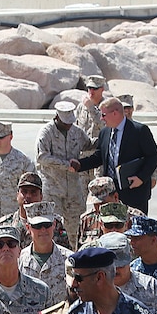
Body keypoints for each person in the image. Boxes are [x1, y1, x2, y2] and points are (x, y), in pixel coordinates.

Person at [71, 97, 157, 215]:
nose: (101, 118)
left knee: (134, 229)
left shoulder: (139, 131)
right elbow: (99, 157)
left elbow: (153, 156)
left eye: (103, 114)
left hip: (134, 191)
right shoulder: (105, 132)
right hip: (111, 193)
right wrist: (79, 165)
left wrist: (141, 178)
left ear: (115, 113)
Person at [35, 101, 92, 248]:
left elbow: (89, 145)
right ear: (57, 117)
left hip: (73, 190)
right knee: (53, 228)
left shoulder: (76, 132)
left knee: (76, 229)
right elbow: (41, 157)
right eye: (66, 123)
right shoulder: (46, 132)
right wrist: (66, 165)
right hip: (53, 189)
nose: (69, 125)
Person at [0, 172, 72, 253]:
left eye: (33, 192)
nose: (28, 196)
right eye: (24, 191)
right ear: (17, 195)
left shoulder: (53, 223)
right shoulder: (4, 225)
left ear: (41, 196)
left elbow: (65, 254)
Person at [18, 201, 72, 302]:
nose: (43, 230)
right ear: (28, 228)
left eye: (47, 225)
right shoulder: (20, 260)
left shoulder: (69, 259)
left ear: (54, 225)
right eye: (37, 226)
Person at [76, 177, 118, 247]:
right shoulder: (86, 219)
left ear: (116, 197)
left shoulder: (133, 218)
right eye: (95, 204)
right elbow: (79, 253)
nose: (99, 208)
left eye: (102, 204)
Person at [77, 75, 106, 140]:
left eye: (95, 88)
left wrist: (91, 107)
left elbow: (104, 126)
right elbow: (76, 128)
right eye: (89, 88)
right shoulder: (81, 106)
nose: (91, 91)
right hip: (84, 147)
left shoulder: (107, 107)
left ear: (102, 89)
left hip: (99, 147)